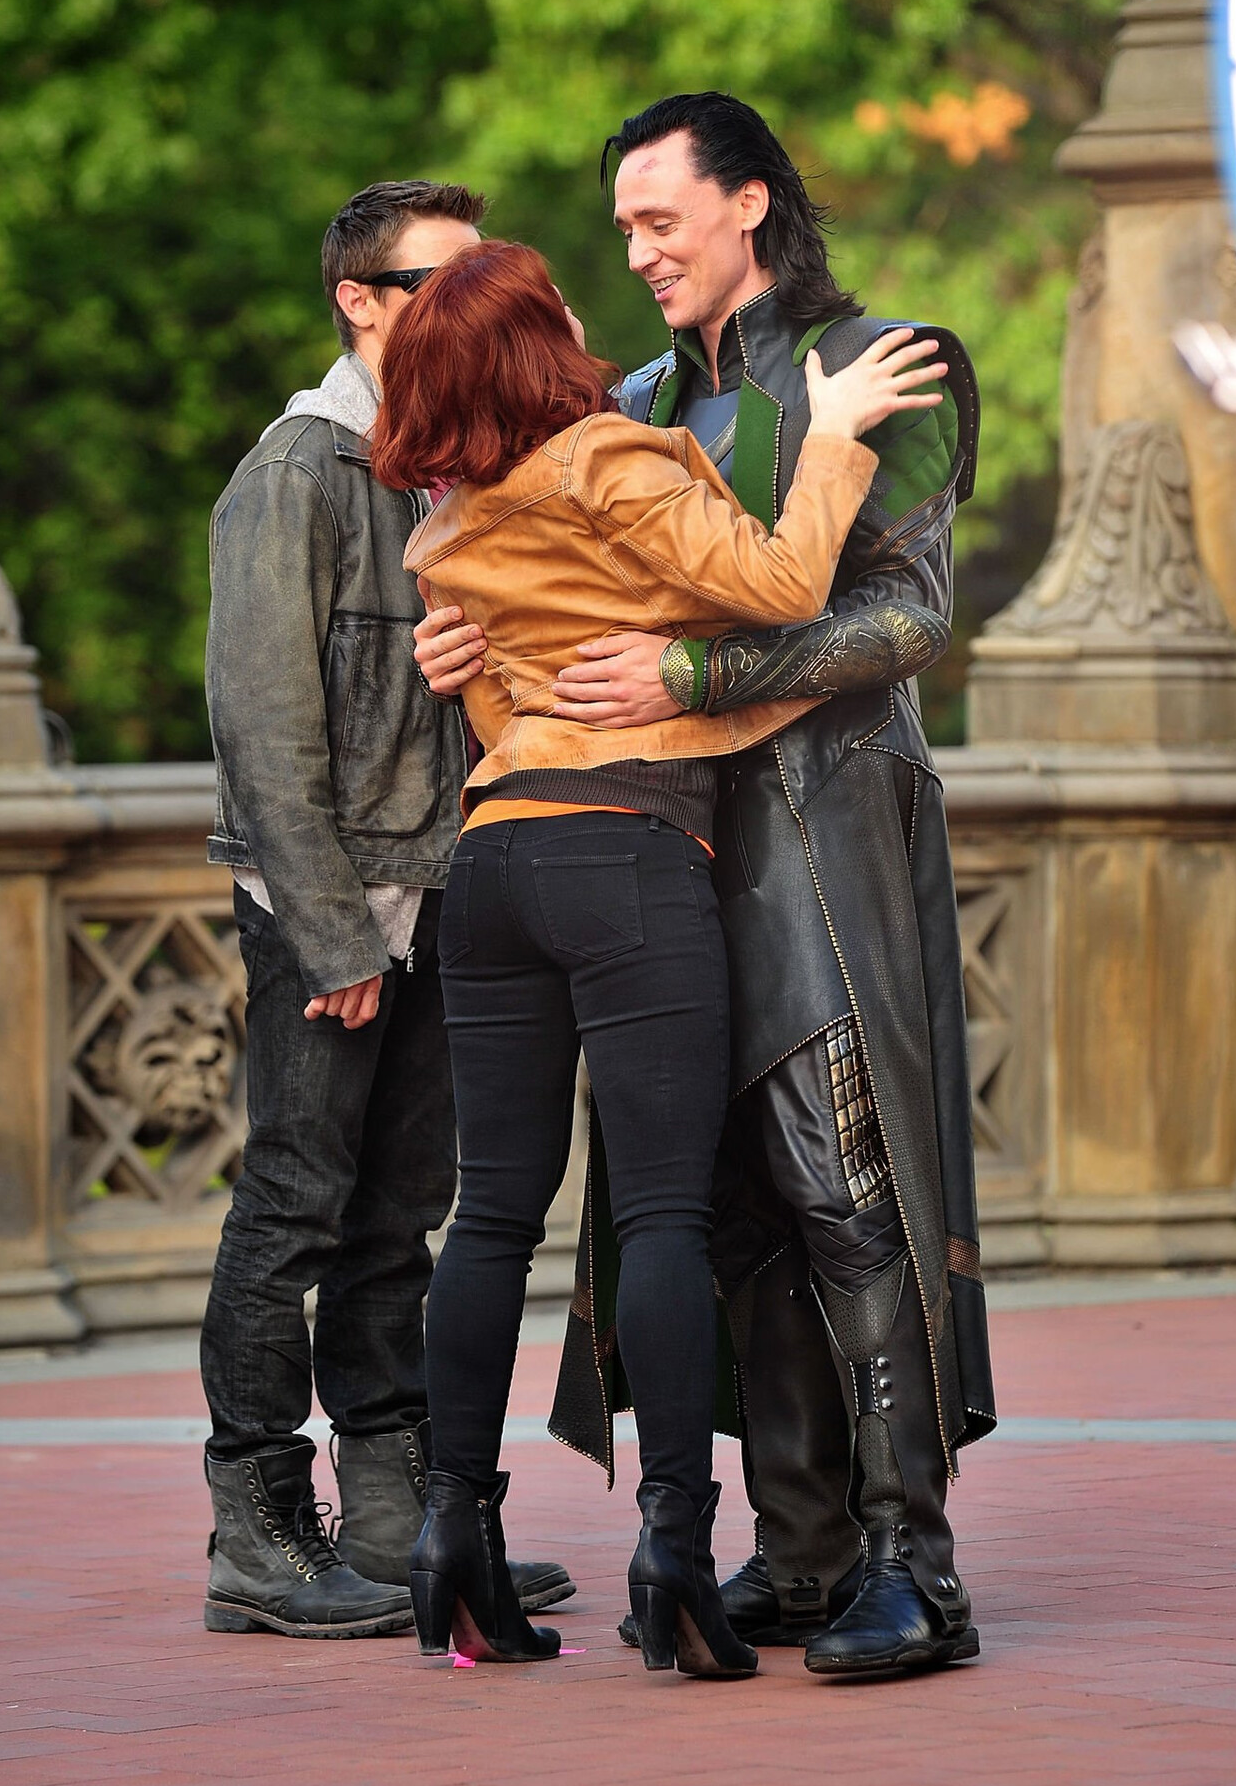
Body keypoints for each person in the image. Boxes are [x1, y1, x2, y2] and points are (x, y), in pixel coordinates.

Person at [417, 93, 997, 1681]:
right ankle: (799, 1552)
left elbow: (906, 617)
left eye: (657, 218)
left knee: (842, 1188)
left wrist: (693, 672)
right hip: (642, 842)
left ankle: (912, 1565)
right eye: (620, 227)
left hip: (819, 833)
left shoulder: (887, 361)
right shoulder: (631, 400)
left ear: (749, 202)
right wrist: (472, 644)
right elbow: (523, 573)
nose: (635, 251)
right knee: (717, 1210)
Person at [199, 181, 572, 1638]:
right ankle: (256, 1530)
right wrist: (331, 932)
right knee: (292, 1206)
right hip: (334, 904)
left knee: (399, 1215)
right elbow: (261, 727)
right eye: (438, 279)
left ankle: (397, 1513)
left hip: (442, 883)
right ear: (359, 300)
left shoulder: (449, 467)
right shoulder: (295, 471)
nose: (468, 302)